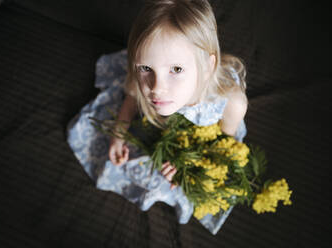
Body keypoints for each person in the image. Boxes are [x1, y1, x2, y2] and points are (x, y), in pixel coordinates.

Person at [67, 0, 248, 235]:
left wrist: (189, 161)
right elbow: (132, 98)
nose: (157, 88)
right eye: (146, 69)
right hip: (159, 128)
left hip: (196, 143)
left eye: (176, 70)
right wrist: (119, 134)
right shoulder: (144, 82)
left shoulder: (229, 103)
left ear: (206, 64)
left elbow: (224, 143)